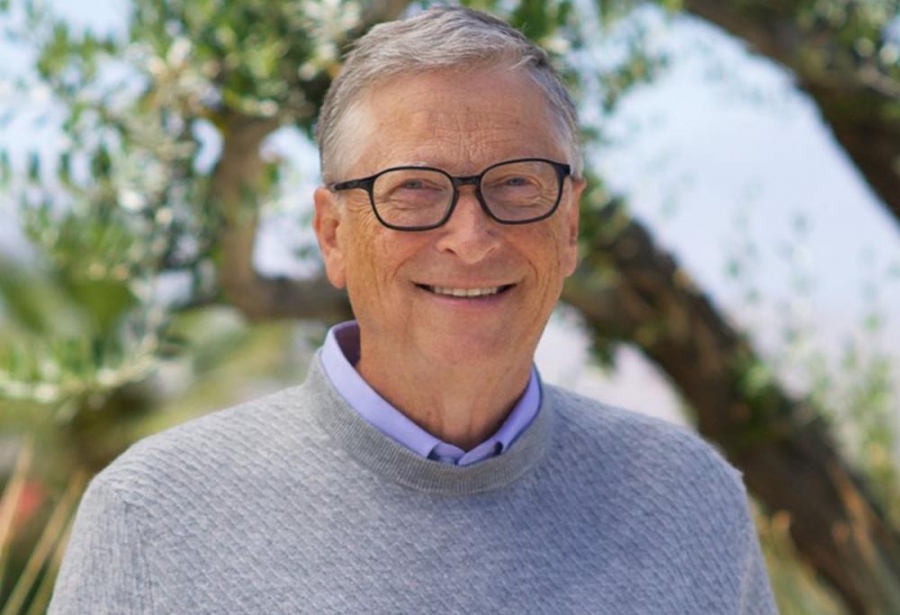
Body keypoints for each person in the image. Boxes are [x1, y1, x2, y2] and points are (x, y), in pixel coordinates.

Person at [49, 7, 778, 614]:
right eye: (414, 188)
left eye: (517, 184)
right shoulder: (155, 514)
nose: (471, 238)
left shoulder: (688, 499)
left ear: (570, 227)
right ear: (332, 234)